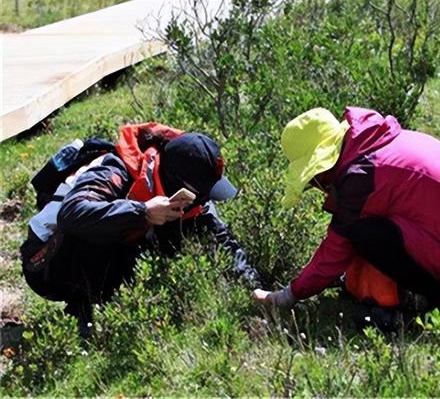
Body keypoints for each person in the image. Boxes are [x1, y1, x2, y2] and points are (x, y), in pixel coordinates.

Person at [253, 107, 440, 313]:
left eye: (314, 179)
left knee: (363, 233)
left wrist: (290, 294)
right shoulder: (374, 143)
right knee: (366, 227)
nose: (318, 186)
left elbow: (336, 249)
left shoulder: (359, 176)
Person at [20, 123, 260, 337]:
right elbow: (72, 213)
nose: (201, 200)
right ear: (174, 180)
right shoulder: (115, 170)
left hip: (93, 246)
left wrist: (254, 288)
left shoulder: (191, 192)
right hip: (46, 264)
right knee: (115, 222)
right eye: (198, 194)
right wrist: (142, 211)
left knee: (183, 223)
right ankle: (84, 303)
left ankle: (110, 296)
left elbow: (221, 237)